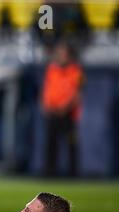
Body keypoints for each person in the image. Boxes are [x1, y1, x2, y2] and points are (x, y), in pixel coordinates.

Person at [41, 41, 84, 177]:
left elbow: (77, 93)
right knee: (51, 144)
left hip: (68, 114)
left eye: (62, 53)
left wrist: (65, 107)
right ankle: (50, 173)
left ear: (69, 55)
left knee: (71, 143)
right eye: (58, 53)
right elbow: (47, 89)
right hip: (53, 112)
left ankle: (73, 174)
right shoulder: (52, 69)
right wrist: (46, 104)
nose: (60, 56)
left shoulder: (76, 71)